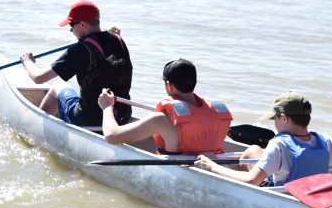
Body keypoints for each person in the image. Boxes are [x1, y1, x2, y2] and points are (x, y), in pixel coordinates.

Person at [194, 91, 332, 185]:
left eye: (275, 119)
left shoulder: (279, 145)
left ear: (284, 118)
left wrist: (212, 167)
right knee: (254, 151)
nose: (274, 123)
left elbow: (252, 181)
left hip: (281, 193)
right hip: (312, 197)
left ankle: (227, 184)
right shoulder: (326, 142)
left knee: (251, 151)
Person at [20, 0, 132, 127]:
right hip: (121, 117)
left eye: (72, 25)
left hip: (90, 121)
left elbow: (38, 77)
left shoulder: (81, 49)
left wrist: (27, 61)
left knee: (57, 86)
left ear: (83, 24)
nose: (71, 30)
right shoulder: (118, 40)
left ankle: (35, 129)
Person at [98, 58, 232, 154]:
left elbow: (112, 136)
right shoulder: (216, 113)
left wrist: (107, 106)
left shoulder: (161, 120)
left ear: (169, 85)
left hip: (179, 174)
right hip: (212, 168)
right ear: (195, 82)